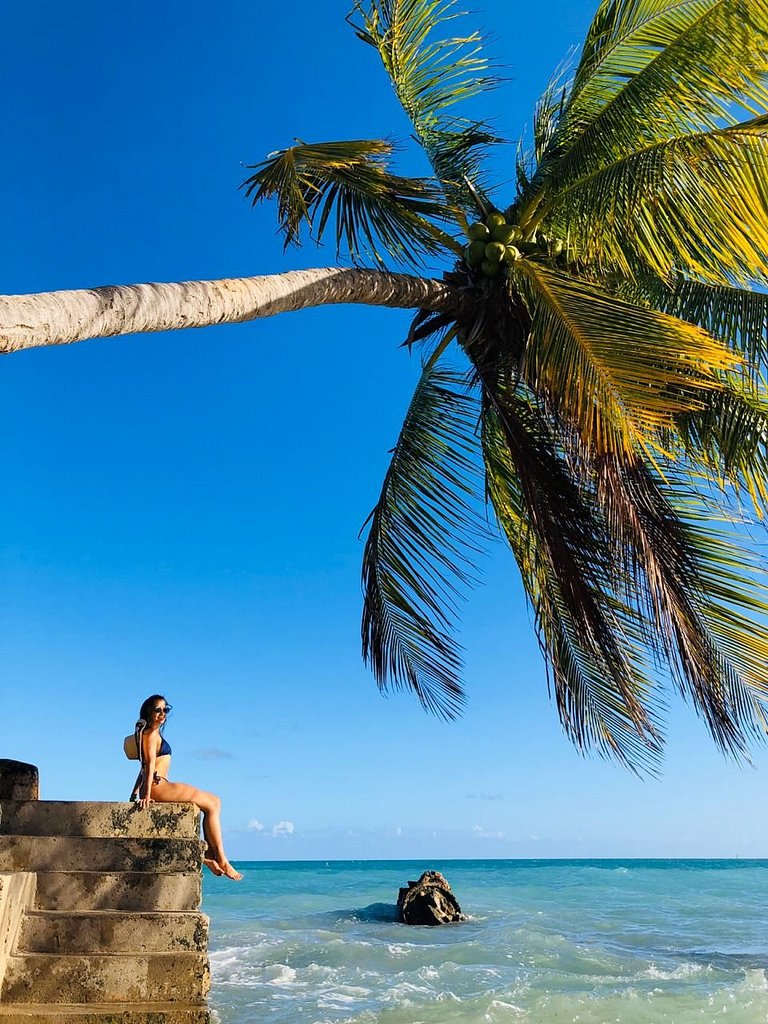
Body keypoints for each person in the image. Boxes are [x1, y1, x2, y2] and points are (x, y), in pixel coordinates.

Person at [132, 694, 243, 881]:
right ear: (148, 712)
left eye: (165, 710)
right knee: (212, 804)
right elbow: (149, 765)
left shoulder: (150, 734)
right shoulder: (150, 735)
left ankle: (210, 856)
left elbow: (143, 768)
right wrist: (147, 795)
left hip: (157, 784)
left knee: (214, 801)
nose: (162, 714)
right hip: (158, 786)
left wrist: (135, 792)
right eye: (157, 710)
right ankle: (221, 859)